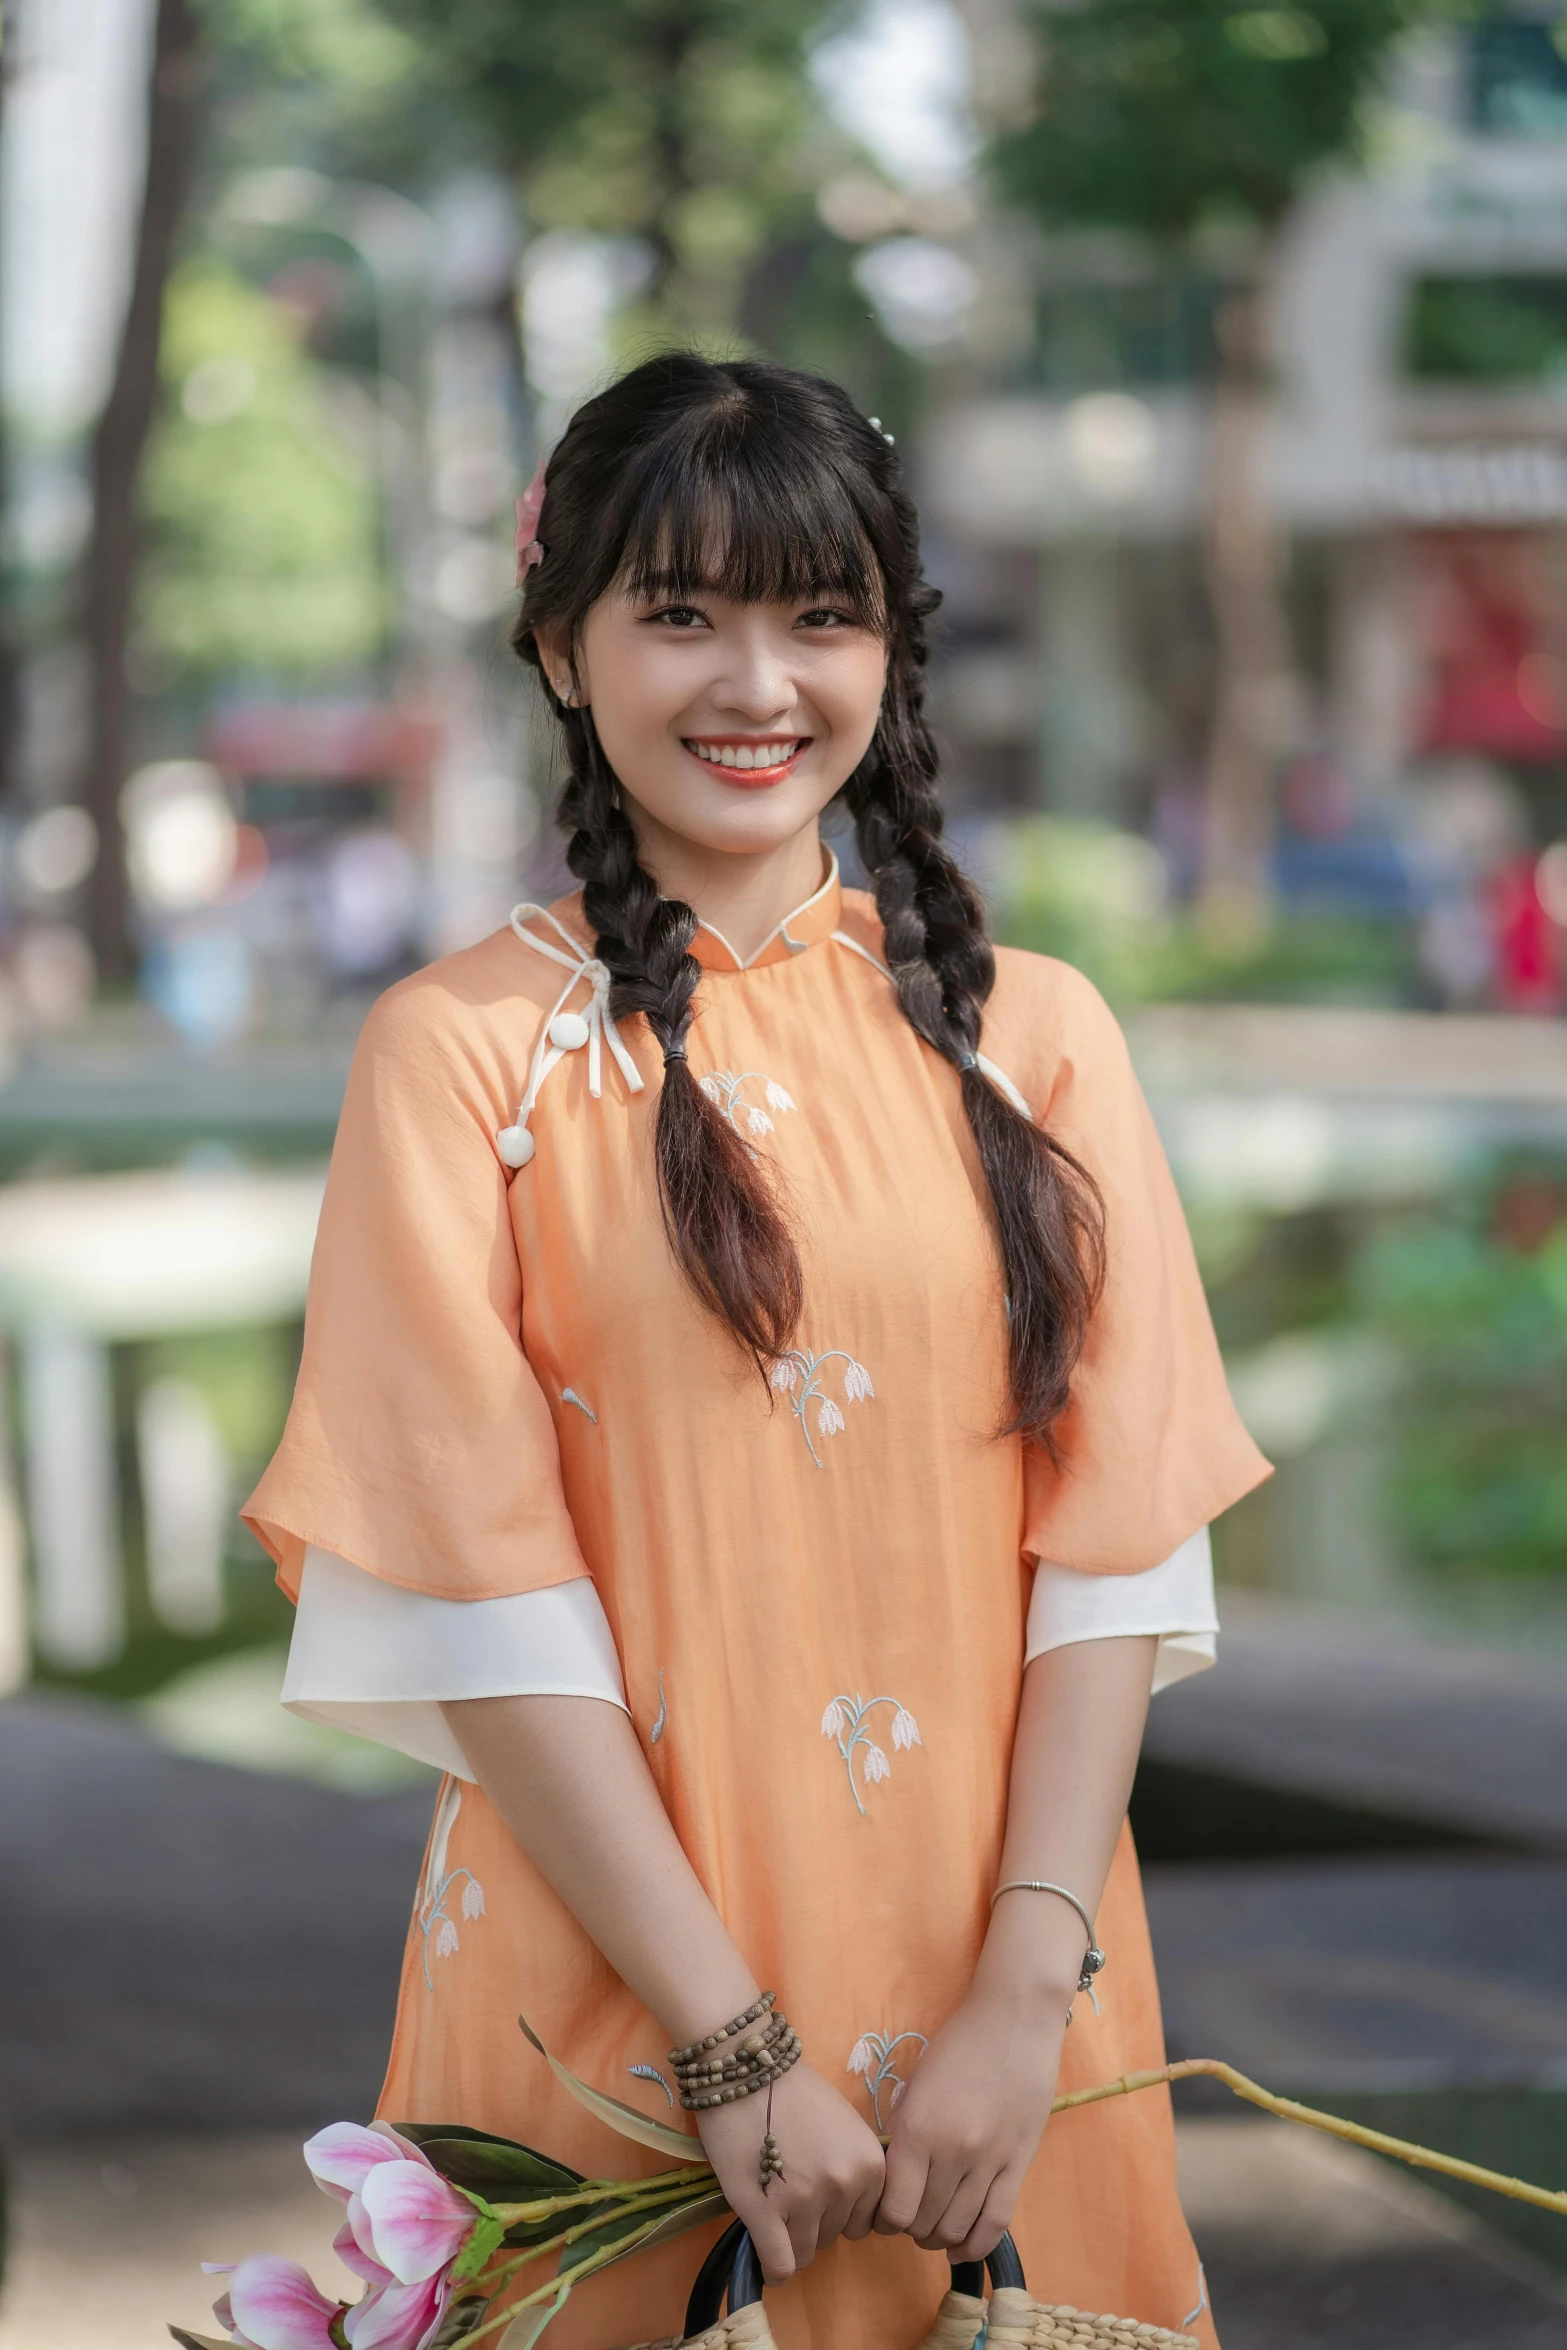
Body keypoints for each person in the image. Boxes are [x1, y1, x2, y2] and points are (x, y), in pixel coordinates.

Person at [246, 354, 1269, 2350]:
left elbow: (1119, 1548)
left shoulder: (1034, 1036)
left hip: (1009, 2013)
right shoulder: (464, 1056)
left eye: (820, 613)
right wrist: (725, 2044)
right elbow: (479, 1598)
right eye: (681, 611)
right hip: (609, 2004)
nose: (757, 680)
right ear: (561, 643)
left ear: (893, 646)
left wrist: (1018, 1993)